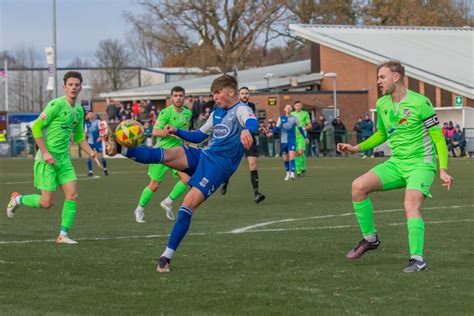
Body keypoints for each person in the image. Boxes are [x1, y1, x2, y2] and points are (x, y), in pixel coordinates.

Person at [104, 74, 258, 272]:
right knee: (164, 154)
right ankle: (121, 149)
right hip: (204, 155)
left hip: (219, 167)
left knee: (186, 205)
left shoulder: (241, 109)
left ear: (230, 91)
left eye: (217, 93)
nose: (215, 98)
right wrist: (176, 130)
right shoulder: (216, 113)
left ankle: (165, 258)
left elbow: (251, 122)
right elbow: (198, 136)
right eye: (213, 94)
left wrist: (247, 131)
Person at [337, 60, 453, 272]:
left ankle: (417, 259)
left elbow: (438, 138)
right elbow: (382, 134)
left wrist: (443, 169)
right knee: (358, 186)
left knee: (411, 204)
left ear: (396, 77)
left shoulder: (421, 103)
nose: (379, 82)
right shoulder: (382, 104)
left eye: (382, 77)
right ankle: (370, 239)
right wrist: (356, 148)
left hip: (421, 165)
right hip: (396, 164)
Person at [6, 71, 97, 244]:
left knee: (72, 195)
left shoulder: (79, 110)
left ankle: (63, 235)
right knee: (46, 203)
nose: (73, 88)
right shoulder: (55, 105)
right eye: (70, 84)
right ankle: (17, 199)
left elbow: (79, 137)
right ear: (64, 87)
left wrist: (91, 152)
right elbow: (36, 128)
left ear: (80, 87)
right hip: (46, 160)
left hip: (64, 161)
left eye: (77, 85)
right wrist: (46, 152)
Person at [133, 86, 193, 223]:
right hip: (162, 154)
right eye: (176, 95)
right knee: (154, 185)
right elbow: (155, 131)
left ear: (184, 97)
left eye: (181, 95)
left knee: (187, 179)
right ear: (171, 97)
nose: (178, 98)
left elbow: (185, 132)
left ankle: (168, 202)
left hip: (178, 154)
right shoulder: (166, 113)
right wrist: (171, 132)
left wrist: (187, 140)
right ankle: (140, 208)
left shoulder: (187, 114)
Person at [220, 87, 265, 203]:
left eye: (246, 93)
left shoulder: (252, 106)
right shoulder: (233, 107)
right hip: (235, 140)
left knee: (253, 165)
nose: (245, 95)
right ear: (238, 95)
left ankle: (256, 193)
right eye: (242, 93)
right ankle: (225, 182)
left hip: (249, 138)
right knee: (230, 165)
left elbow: (251, 122)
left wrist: (261, 128)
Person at [273, 104, 307, 181]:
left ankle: (292, 173)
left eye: (290, 108)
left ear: (291, 110)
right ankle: (287, 173)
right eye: (287, 108)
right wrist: (270, 132)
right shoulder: (281, 118)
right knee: (285, 158)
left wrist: (305, 138)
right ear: (284, 109)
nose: (288, 109)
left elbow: (300, 128)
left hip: (292, 140)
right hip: (283, 141)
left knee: (292, 157)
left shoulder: (295, 118)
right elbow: (277, 128)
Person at [291, 101, 311, 176]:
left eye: (299, 105)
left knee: (301, 152)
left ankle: (303, 167)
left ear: (301, 106)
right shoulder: (292, 114)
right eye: (297, 105)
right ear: (294, 106)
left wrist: (304, 128)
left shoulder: (305, 113)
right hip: (293, 136)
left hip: (302, 136)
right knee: (295, 154)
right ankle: (298, 171)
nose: (298, 107)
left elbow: (309, 125)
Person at [85, 112, 108, 176]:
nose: (90, 115)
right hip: (90, 142)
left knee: (101, 156)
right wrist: (84, 139)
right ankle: (90, 172)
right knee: (90, 157)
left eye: (91, 114)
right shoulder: (87, 123)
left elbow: (102, 130)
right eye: (89, 114)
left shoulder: (98, 122)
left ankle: (105, 169)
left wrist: (100, 137)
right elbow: (85, 132)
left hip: (97, 142)